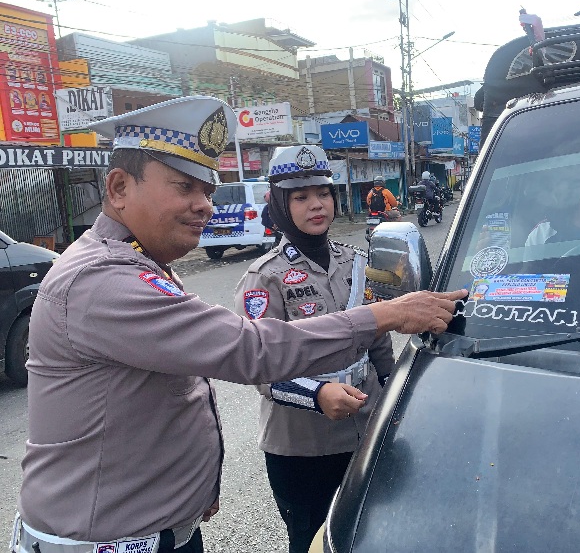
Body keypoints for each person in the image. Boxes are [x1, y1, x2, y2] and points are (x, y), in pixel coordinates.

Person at [10, 97, 465, 553]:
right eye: (185, 187)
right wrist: (387, 313)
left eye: (207, 191)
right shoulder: (101, 281)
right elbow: (253, 350)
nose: (204, 206)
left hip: (154, 526)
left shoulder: (140, 262)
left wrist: (191, 490)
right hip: (108, 539)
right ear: (118, 187)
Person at [235, 146, 392, 553]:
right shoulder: (264, 277)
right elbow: (259, 368)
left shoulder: (356, 261)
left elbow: (377, 332)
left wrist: (394, 387)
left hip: (366, 430)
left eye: (322, 193)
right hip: (303, 447)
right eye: (300, 197)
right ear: (279, 204)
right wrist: (318, 395)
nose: (316, 205)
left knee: (369, 534)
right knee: (312, 542)